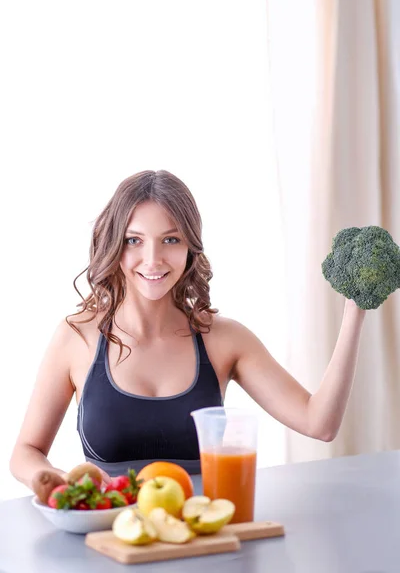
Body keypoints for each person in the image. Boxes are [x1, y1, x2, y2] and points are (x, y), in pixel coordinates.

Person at [9, 170, 366, 490]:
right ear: (114, 245)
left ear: (190, 248)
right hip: (108, 538)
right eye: (134, 240)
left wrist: (355, 309)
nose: (152, 259)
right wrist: (56, 482)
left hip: (201, 536)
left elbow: (320, 424)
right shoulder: (77, 337)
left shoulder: (224, 339)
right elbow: (26, 452)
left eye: (171, 239)